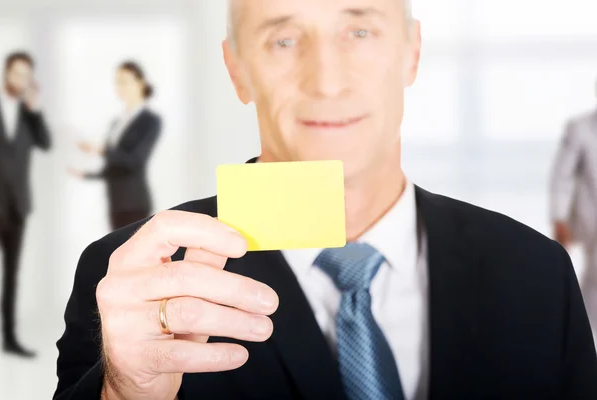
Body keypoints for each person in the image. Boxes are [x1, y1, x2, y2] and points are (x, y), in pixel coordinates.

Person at [54, 0, 597, 399]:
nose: (327, 81)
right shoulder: (136, 279)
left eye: (359, 31)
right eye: (283, 39)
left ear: (411, 53)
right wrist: (125, 393)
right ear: (237, 68)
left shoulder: (536, 272)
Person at [0, 51, 51, 358]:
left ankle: (8, 338)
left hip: (17, 208)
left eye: (26, 76)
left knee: (10, 276)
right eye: (17, 74)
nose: (21, 81)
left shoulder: (29, 114)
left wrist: (35, 108)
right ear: (6, 73)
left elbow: (45, 143)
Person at [69, 61, 162, 230]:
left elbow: (135, 161)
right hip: (115, 202)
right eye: (117, 81)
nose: (120, 86)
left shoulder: (150, 121)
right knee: (116, 253)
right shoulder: (116, 123)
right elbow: (115, 165)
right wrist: (87, 175)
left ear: (140, 83)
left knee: (136, 254)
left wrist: (101, 150)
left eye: (125, 81)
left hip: (134, 203)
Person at [550, 78, 597, 339]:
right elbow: (561, 175)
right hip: (590, 219)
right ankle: (581, 339)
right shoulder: (580, 129)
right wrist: (559, 217)